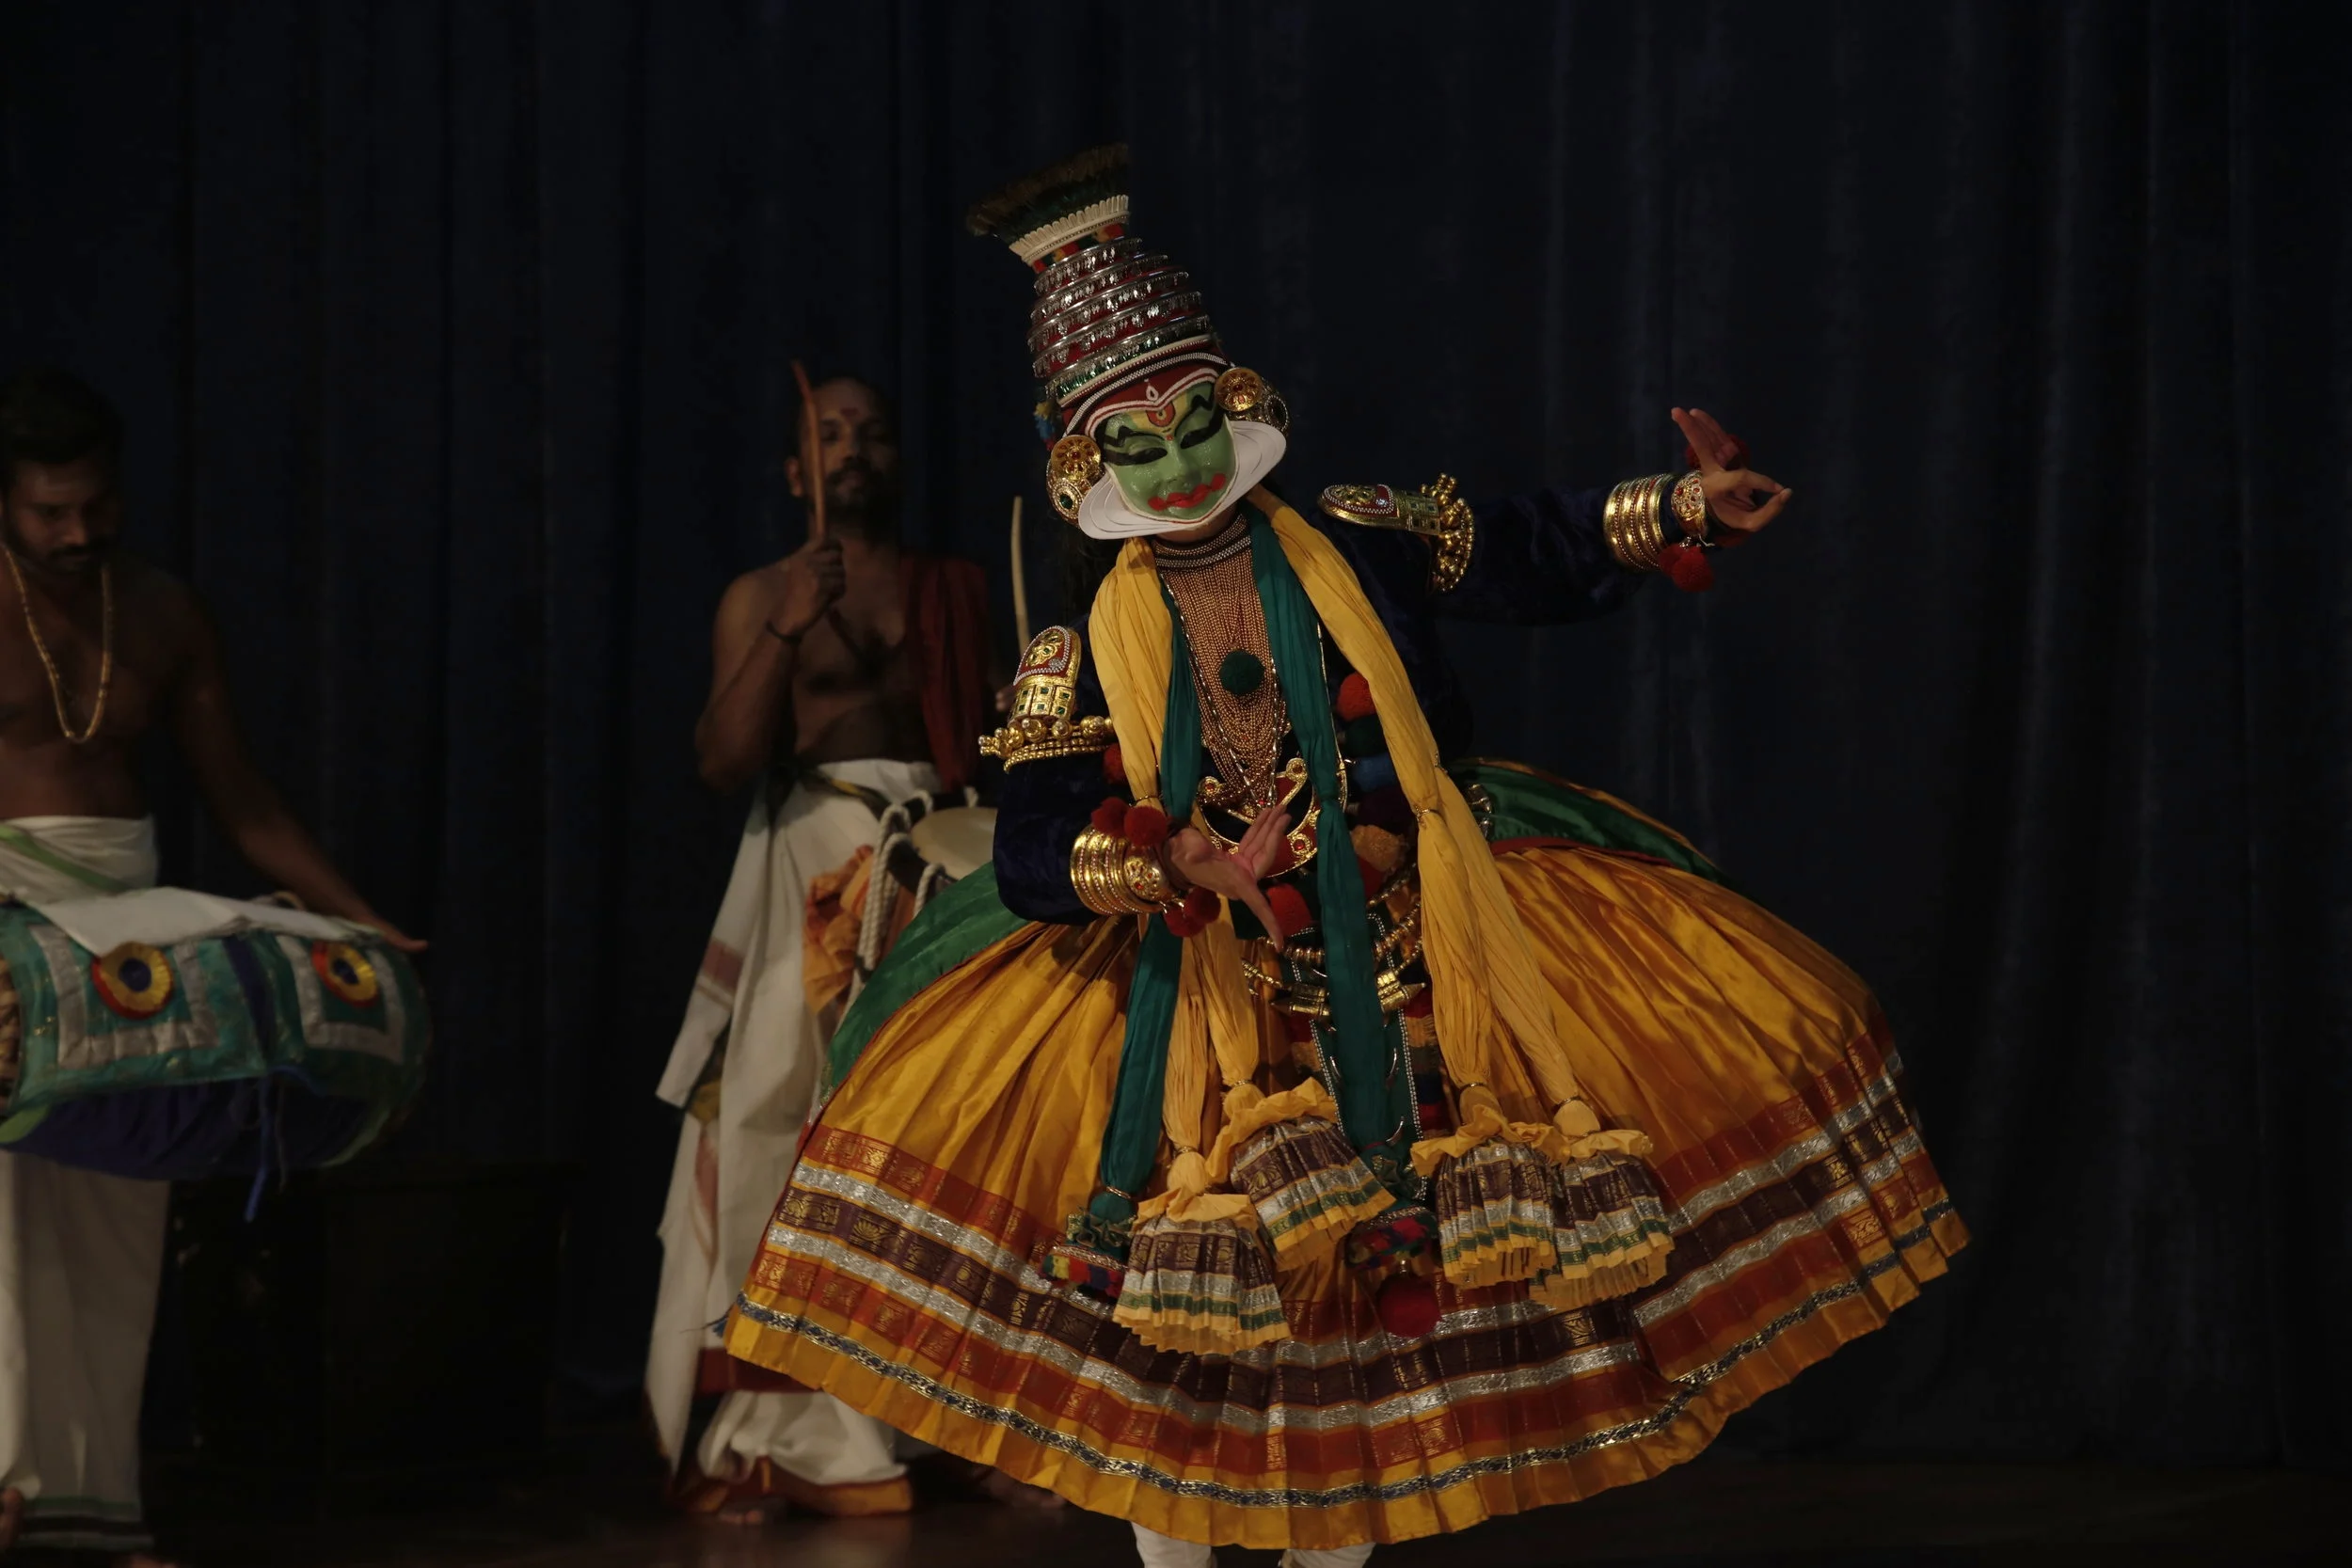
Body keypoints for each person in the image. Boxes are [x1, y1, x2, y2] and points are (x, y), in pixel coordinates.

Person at [722, 148, 1970, 1566]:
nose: (1179, 461)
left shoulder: (1354, 543)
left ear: (1236, 402)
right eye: (1139, 441)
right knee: (1180, 1357)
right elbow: (1024, 844)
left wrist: (1678, 509)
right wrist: (1171, 857)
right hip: (1197, 1014)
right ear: (1086, 460)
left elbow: (1530, 547)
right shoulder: (1073, 653)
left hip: (1410, 954)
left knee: (1380, 1342)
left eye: (1193, 420)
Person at [0, 366, 421, 1566]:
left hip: (130, 933)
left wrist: (360, 922)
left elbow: (245, 803)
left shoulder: (167, 612)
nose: (79, 530)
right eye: (49, 512)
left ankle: (92, 1502)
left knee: (119, 1216)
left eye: (95, 504)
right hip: (2, 921)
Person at [647, 372, 998, 1522]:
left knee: (938, 1136)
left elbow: (997, 741)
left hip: (941, 870)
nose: (854, 451)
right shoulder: (762, 593)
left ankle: (939, 1411)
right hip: (813, 866)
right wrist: (791, 621)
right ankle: (785, 1425)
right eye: (829, 436)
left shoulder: (953, 587)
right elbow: (720, 760)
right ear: (795, 474)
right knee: (779, 1130)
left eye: (874, 433)